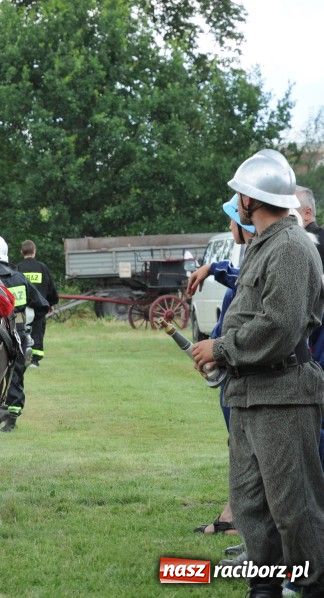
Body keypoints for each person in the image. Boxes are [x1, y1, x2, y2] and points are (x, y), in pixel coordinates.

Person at [190, 149, 324, 597]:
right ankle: (263, 590)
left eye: (238, 195)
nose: (235, 201)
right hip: (251, 395)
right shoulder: (264, 246)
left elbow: (280, 326)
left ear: (251, 199)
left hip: (283, 395)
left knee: (294, 510)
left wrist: (222, 348)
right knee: (250, 507)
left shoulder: (289, 246)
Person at [186, 194, 255, 538]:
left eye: (233, 220)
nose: (230, 226)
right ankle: (235, 514)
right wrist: (212, 268)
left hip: (244, 372)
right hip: (230, 371)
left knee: (246, 447)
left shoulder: (269, 257)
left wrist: (219, 348)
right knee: (237, 443)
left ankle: (240, 520)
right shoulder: (255, 257)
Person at [0, 234, 49, 432]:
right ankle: (11, 417)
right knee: (16, 373)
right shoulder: (18, 277)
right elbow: (42, 305)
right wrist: (28, 324)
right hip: (15, 333)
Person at [15, 240, 59, 367]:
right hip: (39, 309)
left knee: (19, 330)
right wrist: (51, 303)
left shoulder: (18, 268)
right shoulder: (42, 268)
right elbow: (50, 287)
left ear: (21, 252)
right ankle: (34, 359)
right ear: (34, 251)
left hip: (20, 310)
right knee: (37, 332)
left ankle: (20, 354)